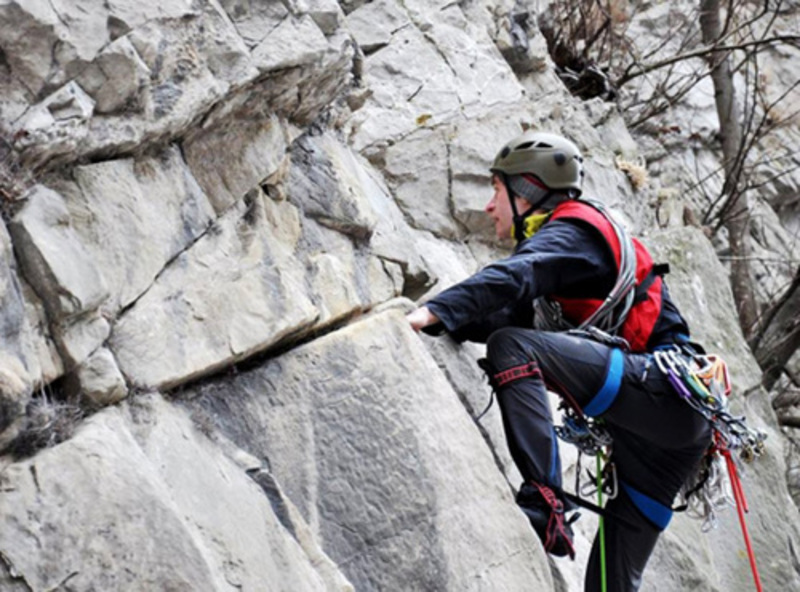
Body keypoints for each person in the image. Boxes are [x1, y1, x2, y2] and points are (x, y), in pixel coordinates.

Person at [406, 131, 712, 592]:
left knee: (512, 347)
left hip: (661, 389)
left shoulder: (576, 230)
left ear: (526, 189)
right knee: (611, 582)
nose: (489, 206)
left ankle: (546, 501)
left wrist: (433, 310)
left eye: (496, 189)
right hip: (669, 429)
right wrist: (439, 322)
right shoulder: (571, 258)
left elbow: (517, 276)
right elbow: (507, 312)